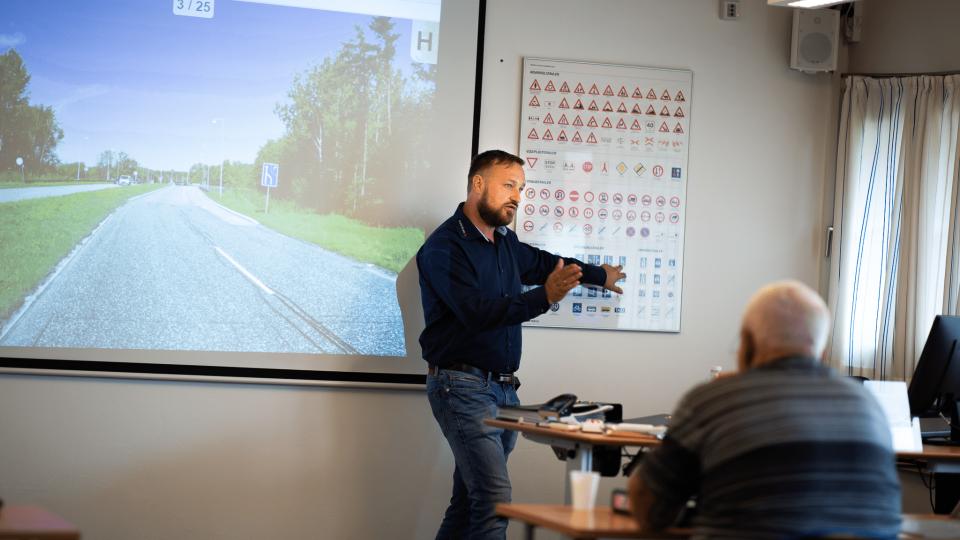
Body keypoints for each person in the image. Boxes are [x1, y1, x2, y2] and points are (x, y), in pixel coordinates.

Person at [417, 149, 626, 539]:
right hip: (460, 387)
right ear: (477, 184)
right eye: (508, 185)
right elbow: (476, 312)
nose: (517, 195)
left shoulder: (505, 243)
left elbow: (549, 263)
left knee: (469, 504)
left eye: (521, 188)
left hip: (503, 391)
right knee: (495, 500)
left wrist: (600, 274)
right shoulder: (445, 246)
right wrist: (543, 298)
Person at [629, 280, 902, 540]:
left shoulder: (712, 401)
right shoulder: (868, 405)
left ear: (747, 342)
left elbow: (649, 511)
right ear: (821, 352)